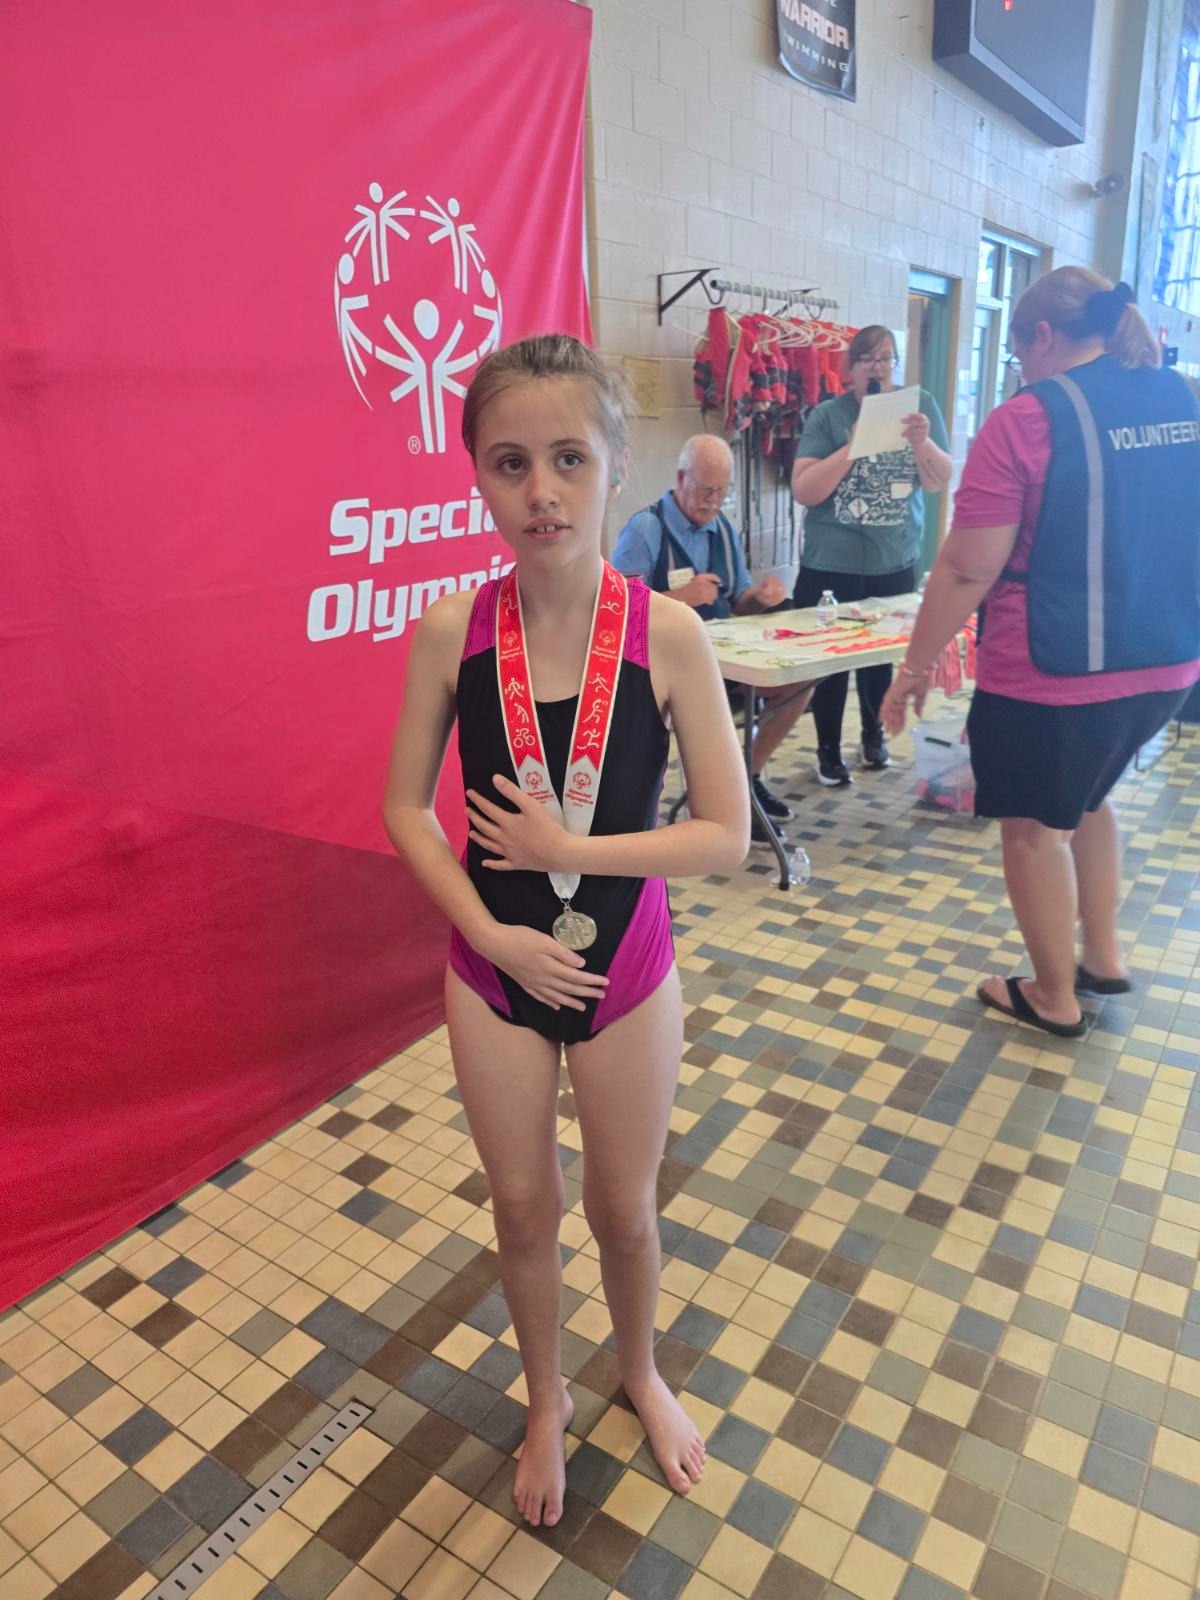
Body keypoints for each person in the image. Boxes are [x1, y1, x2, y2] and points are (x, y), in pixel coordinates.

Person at [383, 335, 748, 1529]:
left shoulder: (667, 634)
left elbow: (726, 834)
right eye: (509, 463)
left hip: (626, 965)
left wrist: (567, 850)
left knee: (624, 1208)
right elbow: (403, 809)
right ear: (478, 476)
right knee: (522, 1204)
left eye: (567, 459)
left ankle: (638, 1369)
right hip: (491, 967)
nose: (540, 490)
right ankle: (545, 1395)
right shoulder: (451, 632)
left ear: (615, 465)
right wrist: (492, 934)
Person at [882, 268, 1200, 1039]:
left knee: (1031, 829)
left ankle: (1053, 996)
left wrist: (914, 668)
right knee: (1086, 801)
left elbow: (968, 567)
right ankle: (1104, 957)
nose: (1020, 368)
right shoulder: (1181, 397)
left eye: (1020, 351)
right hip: (1165, 660)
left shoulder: (1029, 417)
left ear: (1044, 336)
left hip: (1055, 669)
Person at [612, 434, 811, 844]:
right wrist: (681, 597)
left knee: (799, 681)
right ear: (680, 478)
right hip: (665, 670)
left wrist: (760, 597)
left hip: (722, 658)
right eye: (705, 489)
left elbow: (739, 601)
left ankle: (747, 781)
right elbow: (616, 612)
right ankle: (727, 802)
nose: (713, 501)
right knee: (709, 706)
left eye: (722, 491)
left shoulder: (722, 528)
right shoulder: (646, 528)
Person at [791, 324, 951, 784]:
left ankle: (873, 735)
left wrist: (923, 442)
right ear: (851, 369)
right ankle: (827, 750)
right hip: (830, 563)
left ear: (895, 365)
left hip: (893, 559)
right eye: (867, 360)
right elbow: (805, 490)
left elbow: (939, 480)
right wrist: (853, 445)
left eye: (885, 359)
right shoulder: (828, 416)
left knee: (879, 656)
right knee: (830, 662)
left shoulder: (920, 408)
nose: (877, 368)